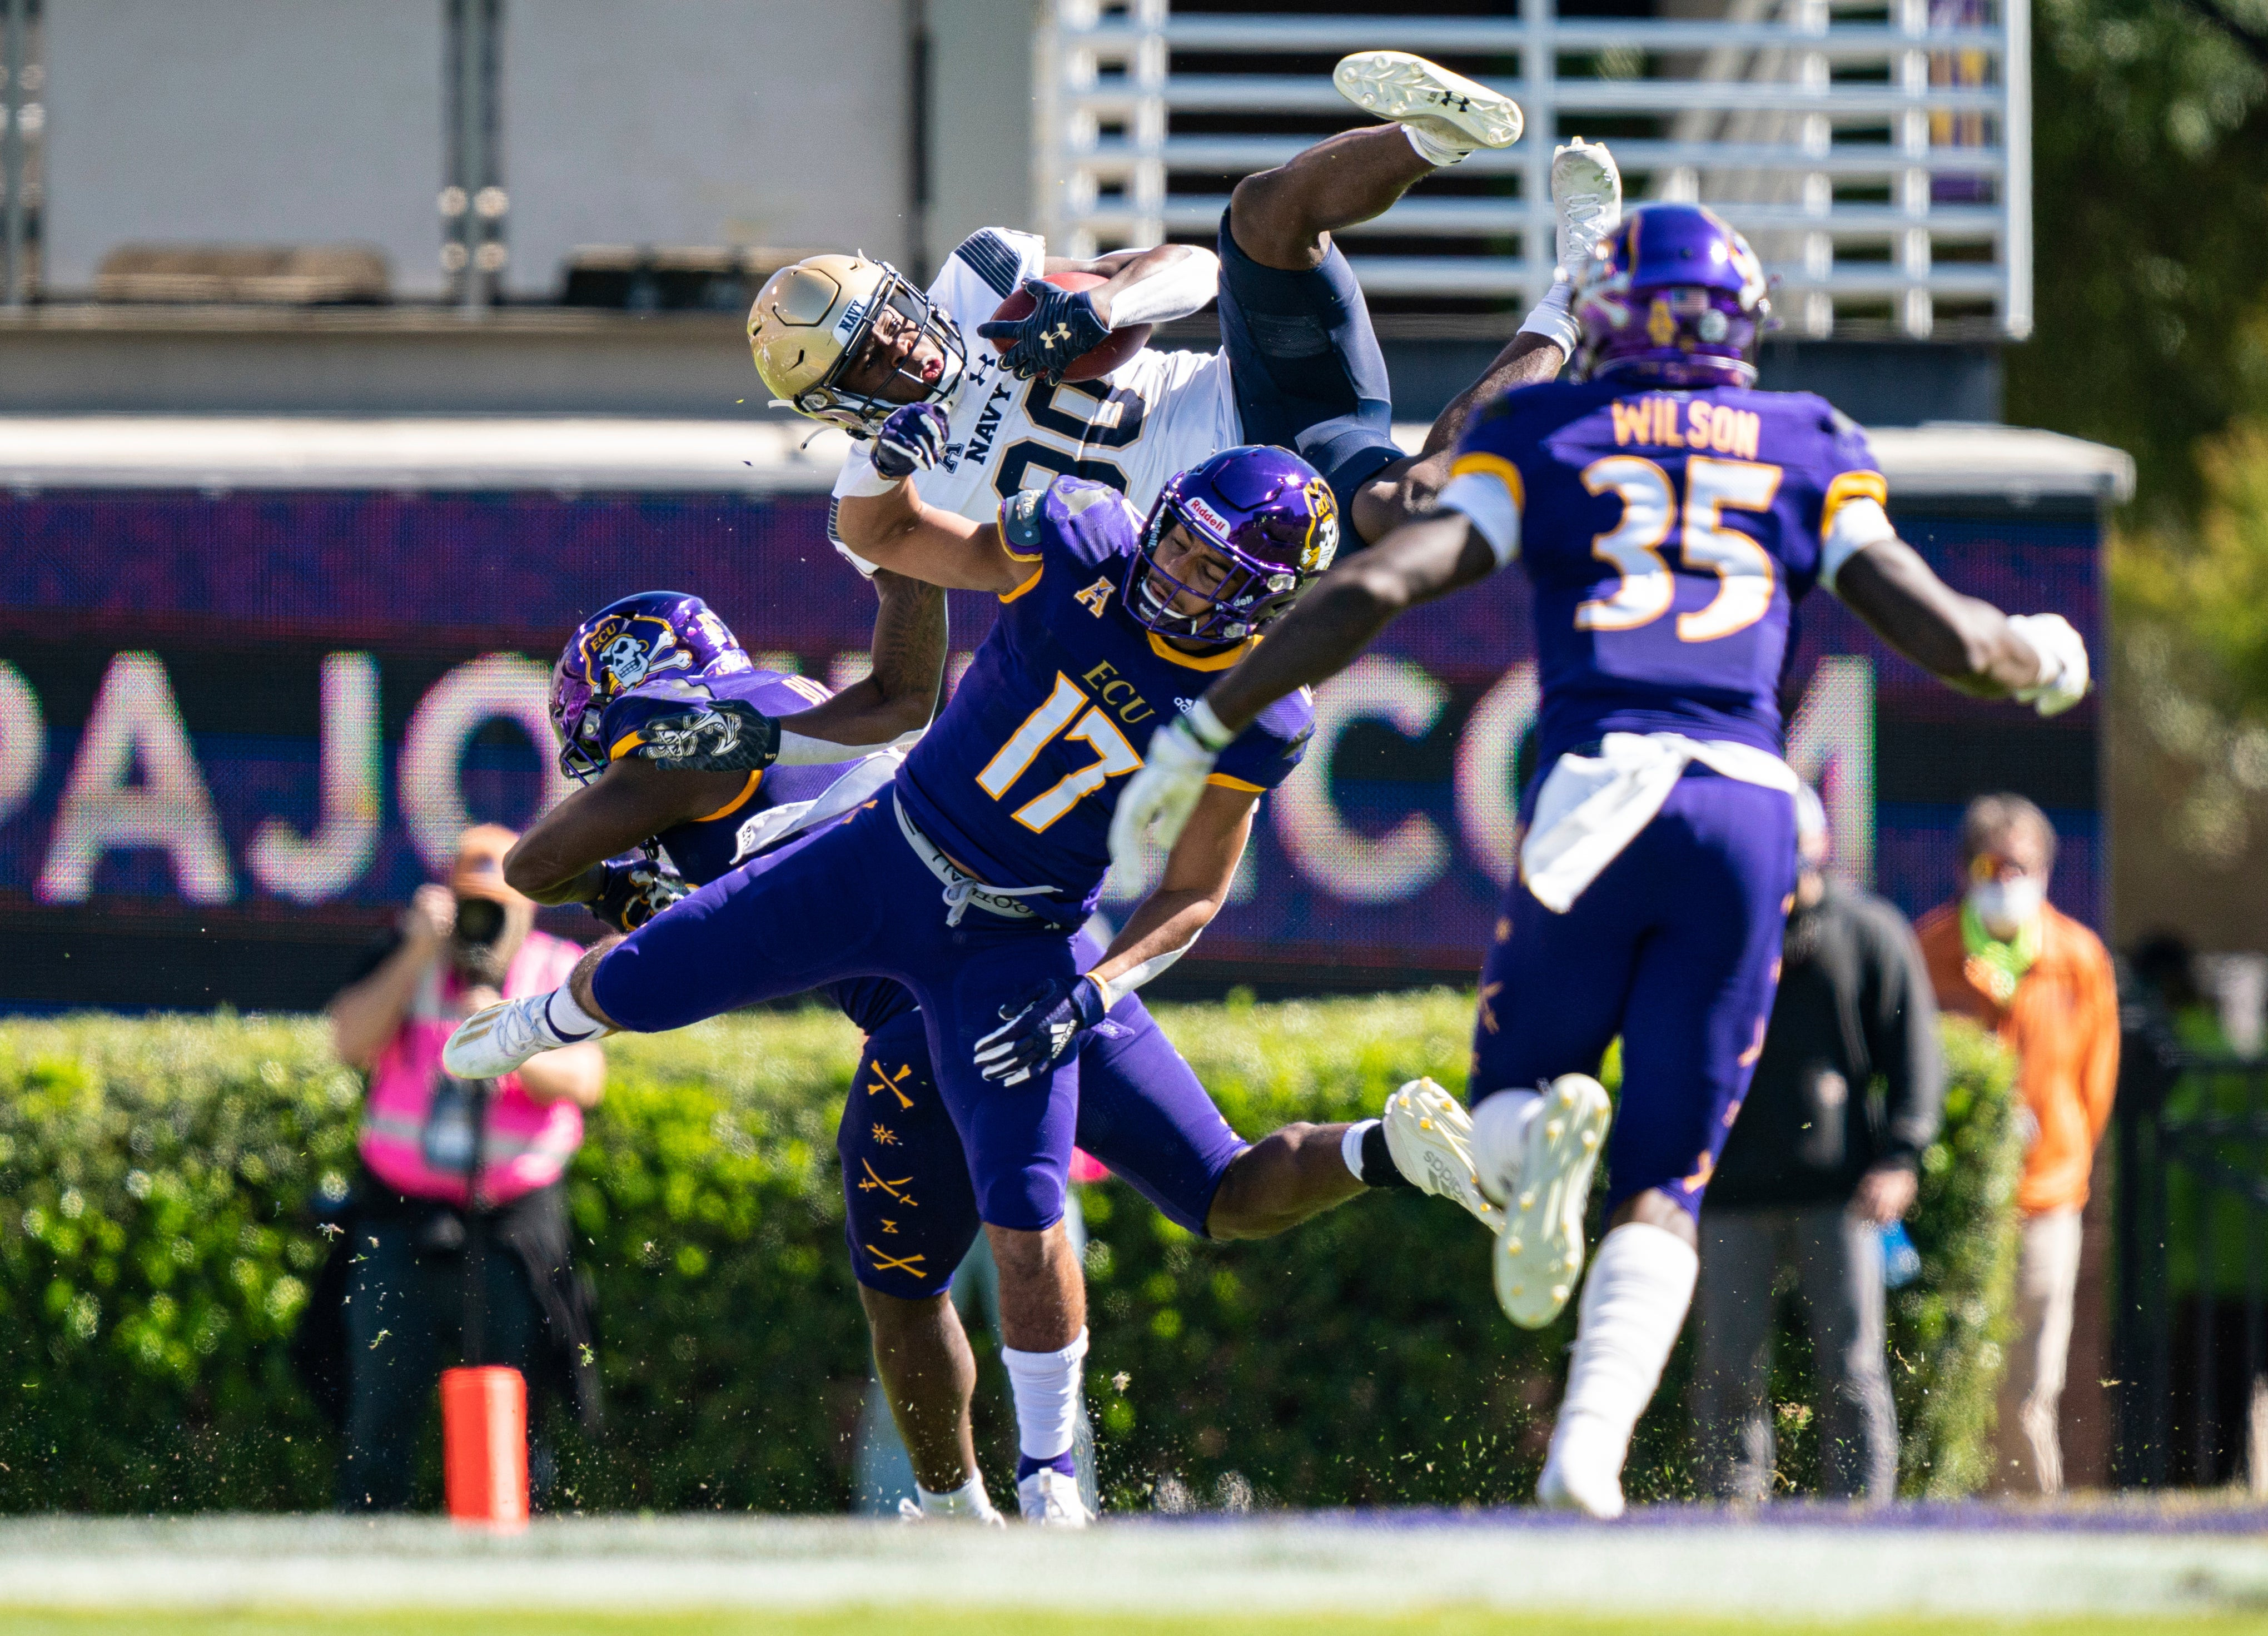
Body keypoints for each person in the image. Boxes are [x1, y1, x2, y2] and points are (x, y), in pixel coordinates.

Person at [1104, 202, 2094, 1517]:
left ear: (1607, 316)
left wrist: (1205, 725)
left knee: (1507, 1109)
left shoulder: (1552, 433)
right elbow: (1951, 639)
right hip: (1749, 806)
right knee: (1670, 1180)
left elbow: (1380, 583)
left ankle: (1528, 1158)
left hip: (1598, 792)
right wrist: (2035, 656)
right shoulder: (1802, 441)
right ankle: (1589, 1454)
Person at [440, 445, 1494, 1526]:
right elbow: (899, 688)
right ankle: (1381, 1147)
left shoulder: (687, 750)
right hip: (1046, 948)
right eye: (1175, 545)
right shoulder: (809, 701)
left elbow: (535, 868)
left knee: (908, 1288)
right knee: (1218, 1190)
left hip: (931, 978)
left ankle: (958, 1511)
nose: (1177, 575)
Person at [749, 51, 1625, 556]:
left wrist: (1106, 306)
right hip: (1221, 536)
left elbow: (1195, 273)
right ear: (835, 402)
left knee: (1258, 213)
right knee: (1418, 508)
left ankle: (1431, 134)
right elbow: (890, 541)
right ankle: (1574, 299)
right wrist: (889, 468)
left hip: (1249, 391)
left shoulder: (978, 281)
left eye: (891, 324)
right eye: (868, 359)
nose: (901, 351)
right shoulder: (878, 489)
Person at [317, 825, 605, 1512]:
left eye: (498, 906)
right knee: (377, 1413)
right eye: (470, 904)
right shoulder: (409, 959)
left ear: (529, 906)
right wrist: (418, 946)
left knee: (517, 1411)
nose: (484, 924)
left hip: (512, 1232)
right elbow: (349, 1042)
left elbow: (586, 1080)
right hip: (401, 1222)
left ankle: (510, 1550)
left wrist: (510, 1039)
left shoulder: (553, 971)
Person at [1689, 785, 1942, 1503]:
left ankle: (1862, 1508)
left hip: (1840, 1192)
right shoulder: (1715, 933)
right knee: (1727, 1365)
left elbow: (1914, 1053)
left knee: (1851, 1363)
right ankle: (1729, 1510)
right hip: (1731, 1191)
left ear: (1818, 844)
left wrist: (1900, 1154)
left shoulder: (1867, 931)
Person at [1915, 794, 2117, 1496]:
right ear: (1965, 868)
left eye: (2020, 866)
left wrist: (2062, 1160)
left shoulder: (2077, 958)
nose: (2006, 879)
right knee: (1950, 1376)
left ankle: (2031, 1520)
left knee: (2027, 1383)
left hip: (2044, 1197)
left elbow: (2095, 1083)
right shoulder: (1929, 949)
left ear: (2046, 871)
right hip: (1953, 1200)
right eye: (1990, 864)